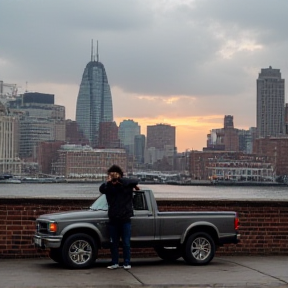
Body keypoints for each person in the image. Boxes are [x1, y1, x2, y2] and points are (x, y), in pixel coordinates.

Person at [99, 164, 139, 270]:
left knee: (126, 243)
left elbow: (135, 180)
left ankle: (127, 262)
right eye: (111, 175)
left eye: (114, 175)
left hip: (125, 218)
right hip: (113, 218)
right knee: (114, 243)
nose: (113, 177)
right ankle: (115, 262)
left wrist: (120, 180)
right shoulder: (109, 187)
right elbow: (101, 189)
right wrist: (109, 181)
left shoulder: (126, 186)